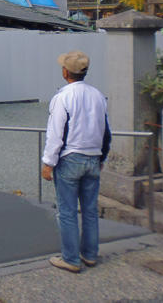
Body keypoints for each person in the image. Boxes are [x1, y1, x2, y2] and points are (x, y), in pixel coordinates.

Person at [41, 50, 111, 273]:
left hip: (70, 159)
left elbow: (56, 134)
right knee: (90, 210)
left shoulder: (62, 97)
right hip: (93, 157)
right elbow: (106, 131)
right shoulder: (98, 95)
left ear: (65, 72)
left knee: (67, 211)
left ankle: (71, 259)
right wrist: (102, 156)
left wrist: (48, 163)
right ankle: (90, 254)